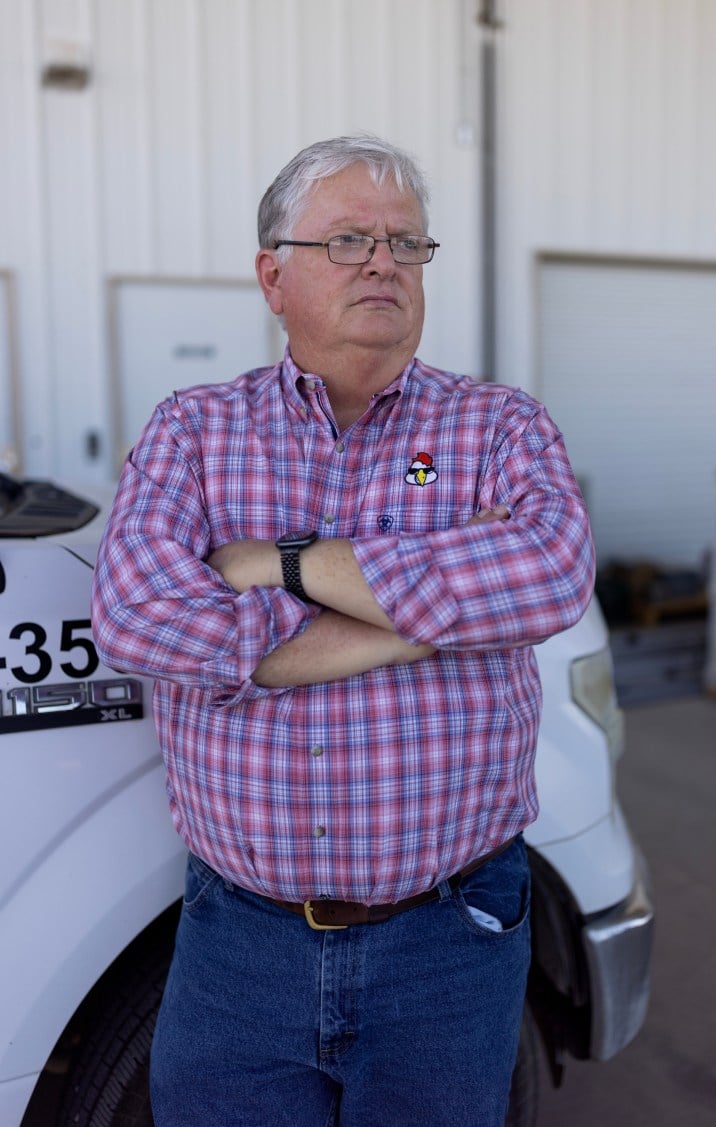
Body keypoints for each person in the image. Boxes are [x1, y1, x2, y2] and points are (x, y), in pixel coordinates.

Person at [92, 134, 595, 1126]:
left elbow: (549, 575)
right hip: (239, 943)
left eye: (406, 244)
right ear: (271, 275)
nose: (383, 262)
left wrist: (274, 564)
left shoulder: (499, 426)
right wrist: (441, 615)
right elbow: (139, 617)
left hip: (449, 936)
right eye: (350, 239)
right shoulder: (191, 430)